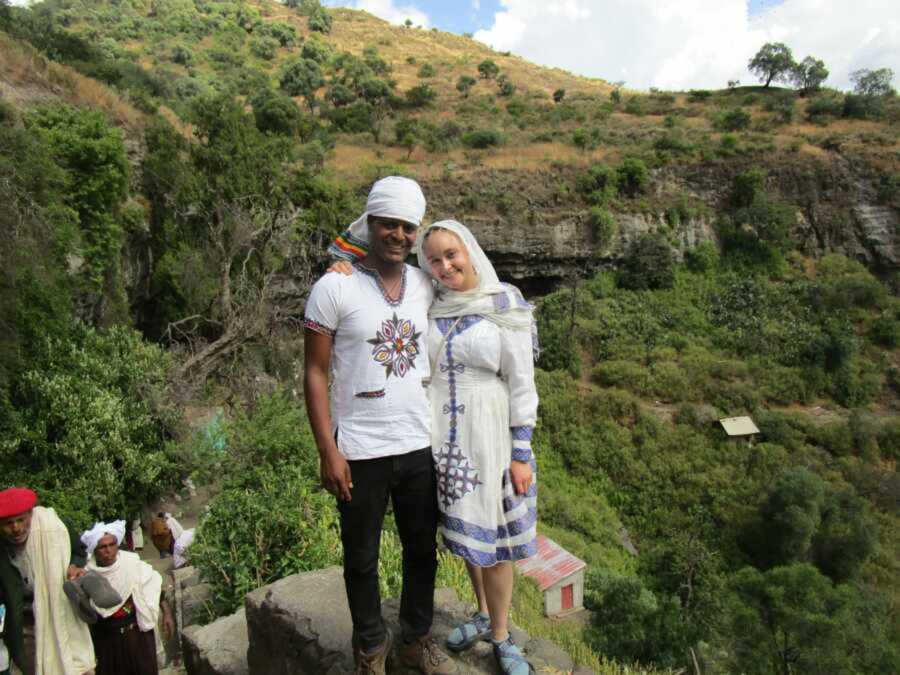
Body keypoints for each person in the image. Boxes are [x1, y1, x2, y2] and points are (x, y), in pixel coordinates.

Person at [330, 220, 539, 675]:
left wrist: (521, 451)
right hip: (443, 436)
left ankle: (502, 638)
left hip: (491, 435)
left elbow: (522, 382)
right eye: (435, 260)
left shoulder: (504, 304)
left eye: (452, 255)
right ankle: (482, 615)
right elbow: (378, 240)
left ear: (471, 251)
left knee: (497, 539)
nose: (444, 266)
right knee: (467, 535)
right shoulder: (432, 302)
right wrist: (343, 259)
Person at [304, 176, 455, 675]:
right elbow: (315, 372)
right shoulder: (334, 287)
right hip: (360, 447)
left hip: (417, 442)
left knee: (421, 550)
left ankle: (414, 638)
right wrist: (329, 450)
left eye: (407, 227)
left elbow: (469, 283)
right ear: (370, 224)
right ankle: (370, 646)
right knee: (361, 557)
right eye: (388, 223)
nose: (398, 234)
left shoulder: (424, 283)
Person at [0, 487, 95, 675]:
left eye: (21, 520)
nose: (16, 528)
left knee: (74, 665)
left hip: (61, 614)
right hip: (23, 626)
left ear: (31, 514)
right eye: (8, 523)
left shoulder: (55, 528)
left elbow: (79, 551)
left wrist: (74, 566)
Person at [80, 521, 173, 675]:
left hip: (138, 636)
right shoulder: (88, 575)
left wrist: (167, 614)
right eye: (103, 547)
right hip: (107, 641)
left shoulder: (131, 564)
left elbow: (153, 587)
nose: (108, 550)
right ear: (95, 551)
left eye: (112, 544)